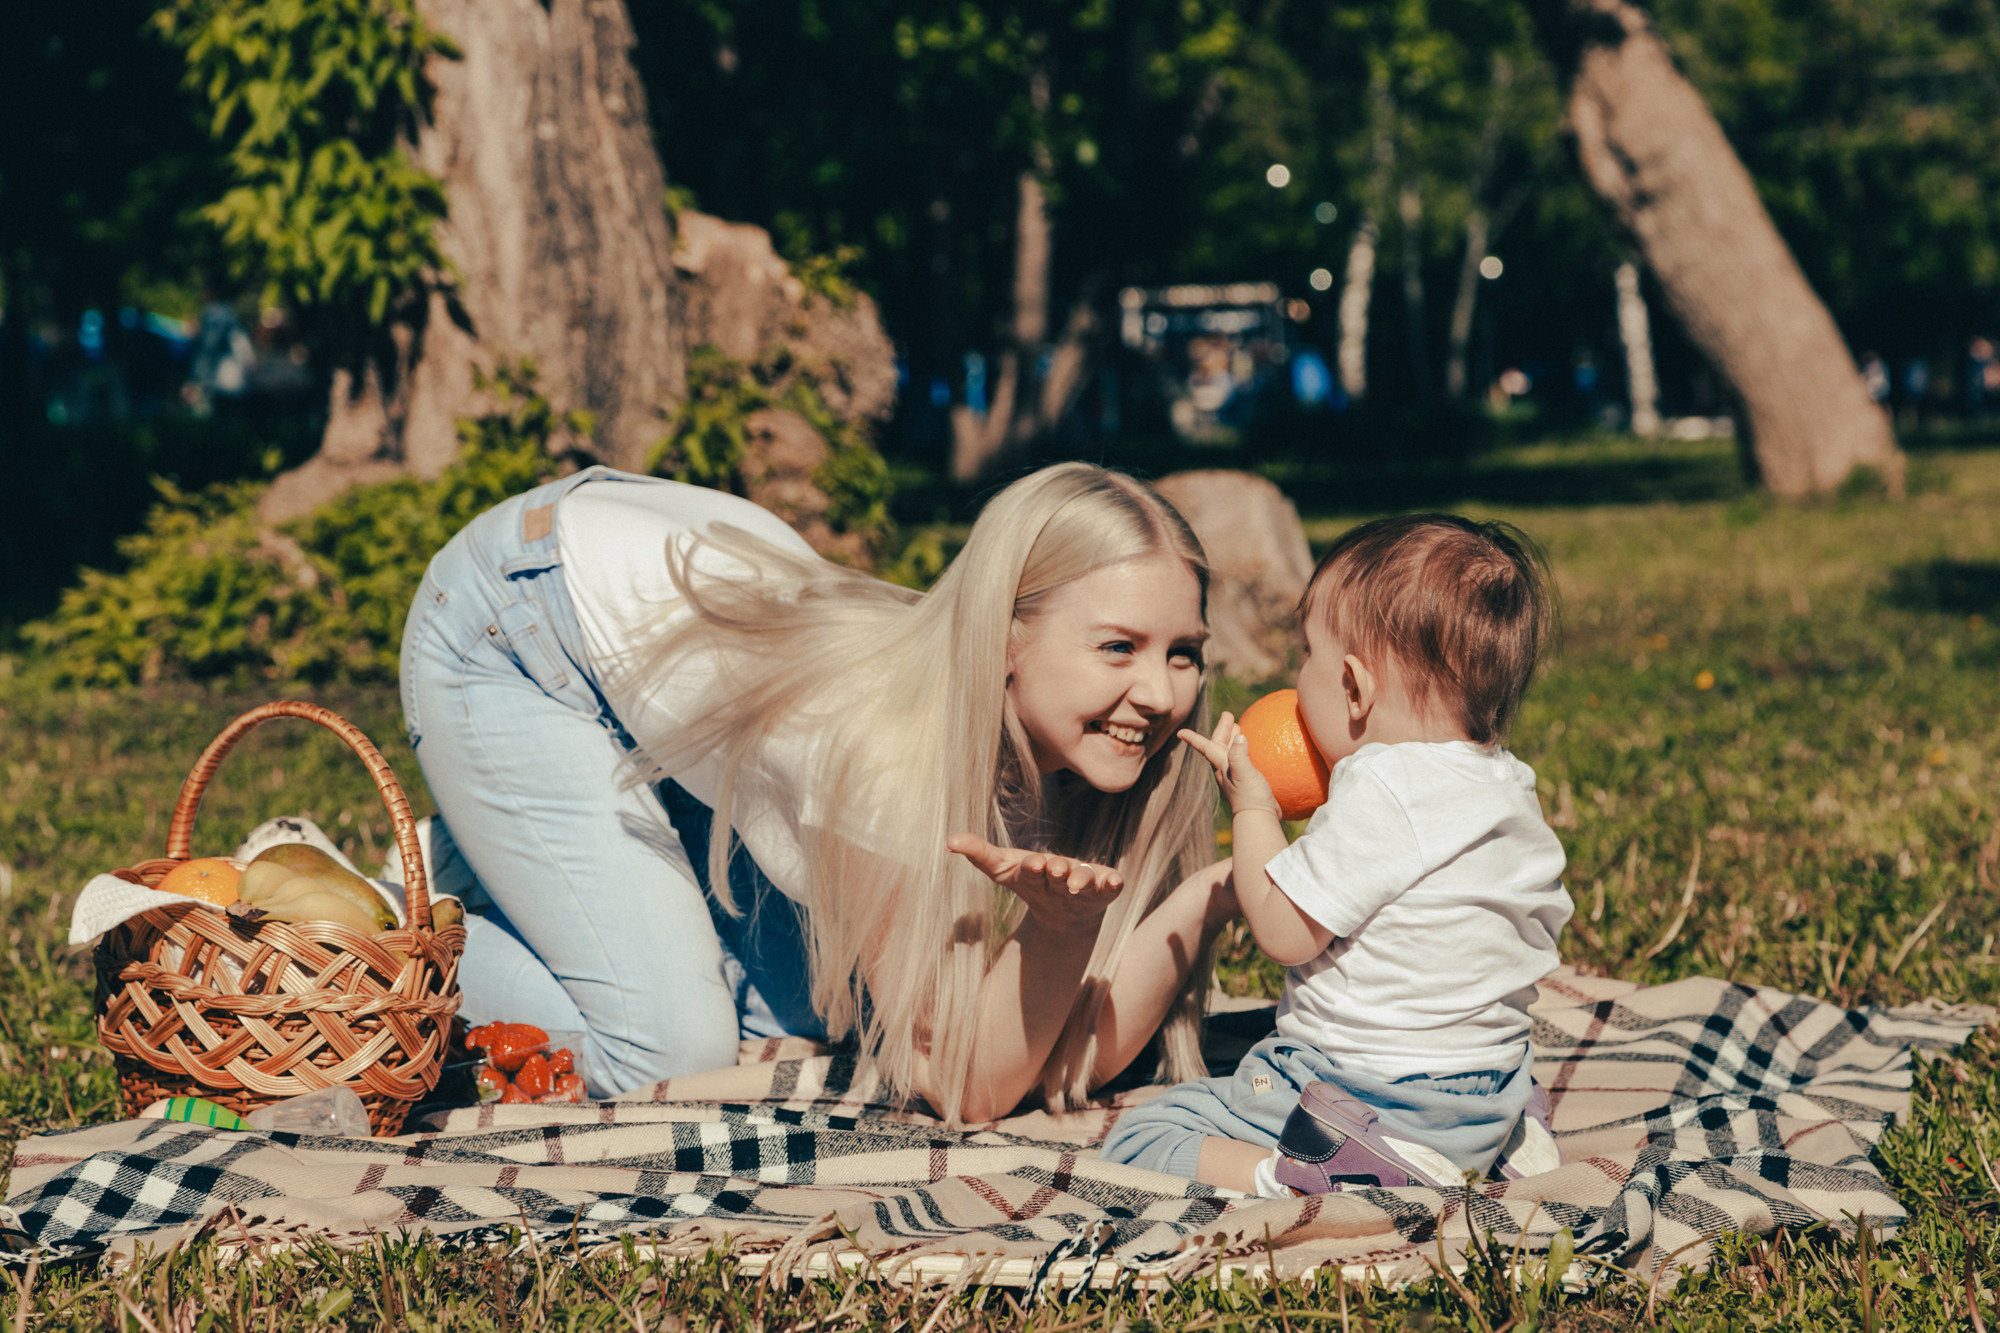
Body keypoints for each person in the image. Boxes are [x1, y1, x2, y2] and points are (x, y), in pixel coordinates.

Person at [399, 462, 1237, 1125]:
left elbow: (1068, 1055)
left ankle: (517, 858)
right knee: (668, 1055)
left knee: (800, 1024)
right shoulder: (889, 751)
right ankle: (395, 930)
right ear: (1007, 634)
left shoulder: (1066, 746)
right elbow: (965, 1088)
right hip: (520, 625)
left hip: (653, 629)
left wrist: (1211, 891)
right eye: (1119, 646)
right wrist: (1060, 932)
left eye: (1183, 653)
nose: (1163, 695)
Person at [1099, 514, 1571, 1193]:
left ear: (1353, 687)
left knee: (1145, 1133)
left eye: (1306, 655)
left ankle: (1310, 1172)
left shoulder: (1380, 786)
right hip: (1491, 1082)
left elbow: (1286, 932)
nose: (1297, 678)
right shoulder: (1507, 783)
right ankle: (1501, 1142)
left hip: (1373, 1091)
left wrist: (1254, 806)